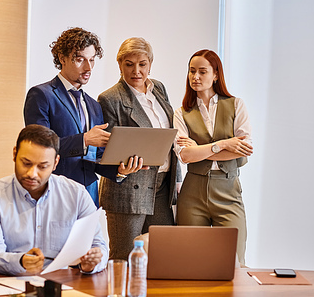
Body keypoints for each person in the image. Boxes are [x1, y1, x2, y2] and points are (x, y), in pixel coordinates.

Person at [24, 27, 142, 207]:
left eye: (92, 60)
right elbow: (38, 148)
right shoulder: (41, 95)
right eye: (80, 59)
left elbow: (96, 157)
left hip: (89, 198)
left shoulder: (94, 105)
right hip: (55, 195)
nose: (88, 68)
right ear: (62, 58)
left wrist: (120, 170)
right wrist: (84, 140)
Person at [0, 124, 108, 275]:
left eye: (42, 166)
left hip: (65, 284)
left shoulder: (77, 194)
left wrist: (91, 263)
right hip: (10, 283)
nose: (32, 174)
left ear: (55, 163)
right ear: (14, 154)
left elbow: (99, 245)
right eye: (26, 163)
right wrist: (20, 261)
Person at [97, 37, 181, 260]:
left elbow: (171, 138)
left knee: (165, 256)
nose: (136, 71)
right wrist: (124, 164)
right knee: (124, 259)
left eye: (142, 64)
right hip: (128, 189)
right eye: (129, 64)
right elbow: (108, 149)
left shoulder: (159, 89)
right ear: (120, 65)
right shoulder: (110, 98)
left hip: (162, 187)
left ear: (150, 64)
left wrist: (178, 179)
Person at [173, 49, 253, 266]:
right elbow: (186, 155)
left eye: (202, 71)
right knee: (190, 263)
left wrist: (201, 149)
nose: (195, 77)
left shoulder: (236, 105)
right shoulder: (181, 113)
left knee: (234, 263)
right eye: (191, 71)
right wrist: (224, 144)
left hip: (229, 191)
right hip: (193, 194)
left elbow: (244, 149)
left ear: (216, 75)